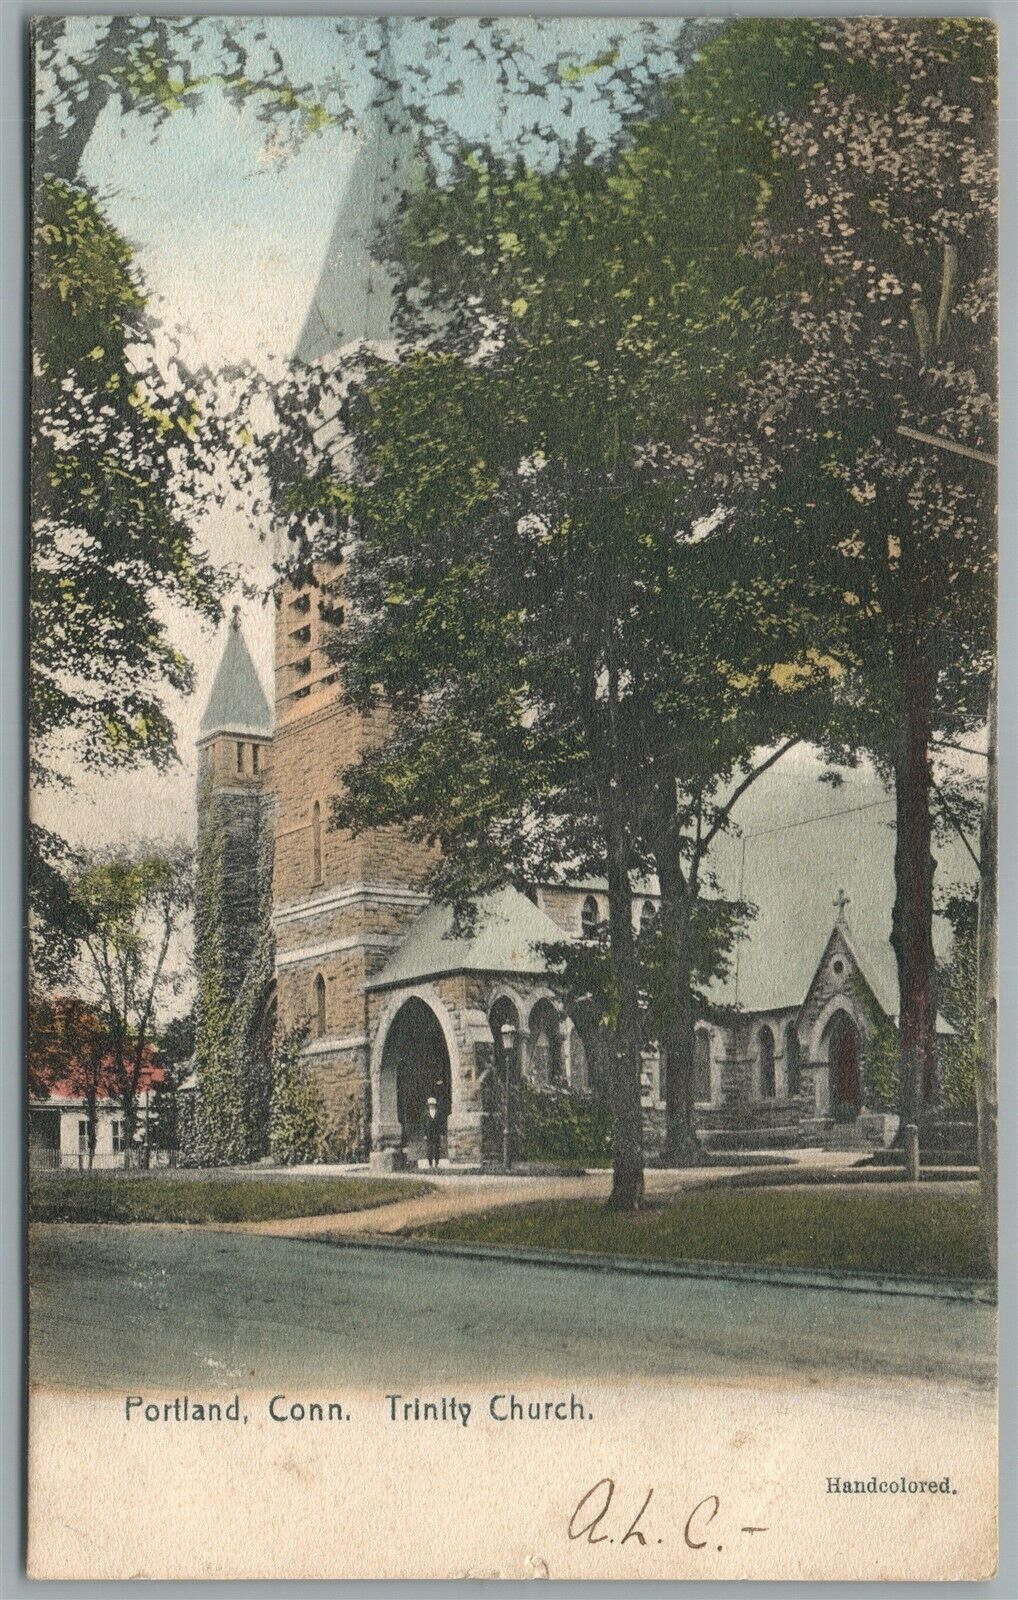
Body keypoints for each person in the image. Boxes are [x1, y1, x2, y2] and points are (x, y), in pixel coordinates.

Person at [424, 1095, 444, 1169]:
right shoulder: (426, 1114)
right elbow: (424, 1125)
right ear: (428, 1105)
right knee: (429, 1148)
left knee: (437, 1148)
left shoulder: (438, 1113)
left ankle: (436, 1163)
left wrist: (442, 1134)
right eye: (430, 1104)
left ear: (435, 1105)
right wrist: (425, 1134)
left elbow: (441, 1124)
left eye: (433, 1104)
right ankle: (430, 1163)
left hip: (437, 1133)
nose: (431, 1106)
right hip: (429, 1134)